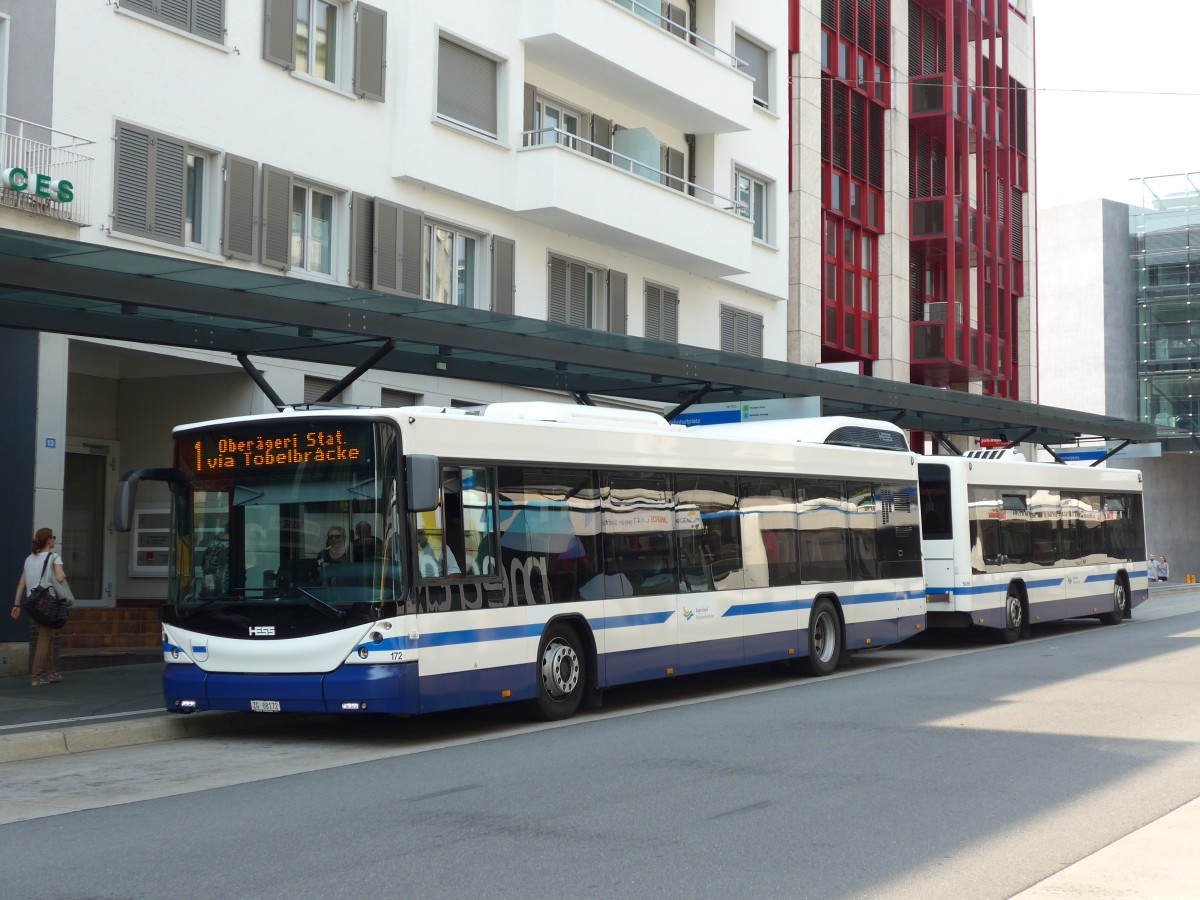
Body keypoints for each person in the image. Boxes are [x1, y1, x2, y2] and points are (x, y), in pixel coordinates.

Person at [11, 527, 67, 687]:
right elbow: (60, 577)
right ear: (49, 540)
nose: (54, 540)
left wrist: (16, 604)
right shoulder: (54, 557)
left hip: (32, 603)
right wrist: (63, 574)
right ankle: (36, 677)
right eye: (53, 537)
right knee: (44, 639)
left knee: (48, 635)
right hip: (47, 602)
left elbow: (22, 583)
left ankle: (52, 673)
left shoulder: (29, 559)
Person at [201, 525, 230, 595]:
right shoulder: (235, 545)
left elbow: (203, 563)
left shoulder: (212, 543)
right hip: (227, 586)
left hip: (209, 584)